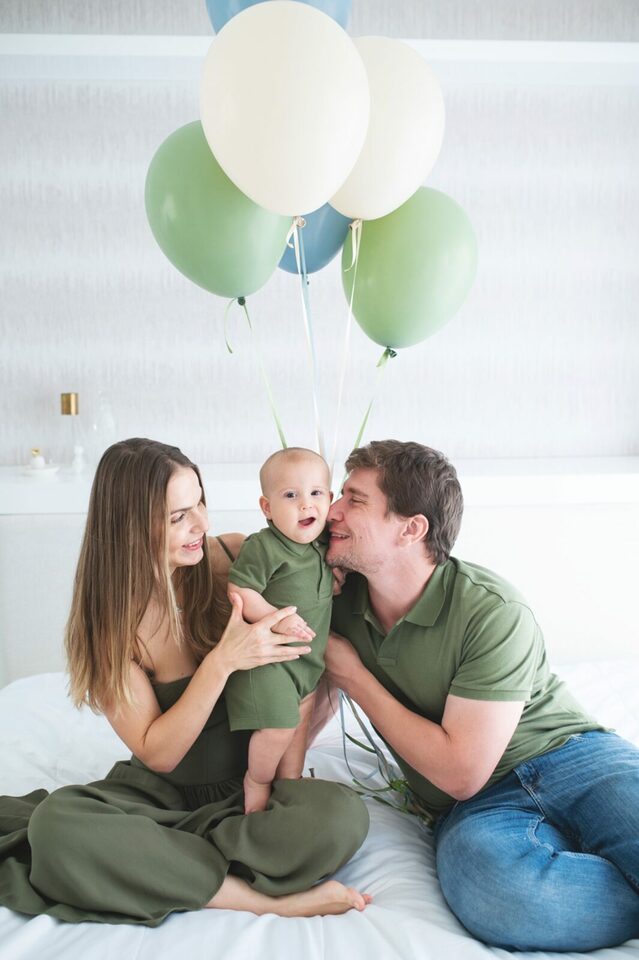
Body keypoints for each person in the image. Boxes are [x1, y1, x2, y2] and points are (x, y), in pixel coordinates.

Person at [0, 438, 371, 925]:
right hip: (161, 798)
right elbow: (159, 754)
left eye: (200, 502)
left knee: (343, 817)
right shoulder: (112, 628)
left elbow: (313, 578)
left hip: (252, 793)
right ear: (131, 528)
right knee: (57, 828)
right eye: (179, 517)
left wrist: (330, 578)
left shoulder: (235, 557)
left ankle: (163, 862)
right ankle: (261, 898)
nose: (201, 524)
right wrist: (222, 662)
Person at [324, 439, 639, 952]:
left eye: (353, 500)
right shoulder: (335, 600)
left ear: (411, 529)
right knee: (498, 897)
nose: (332, 510)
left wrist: (354, 677)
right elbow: (465, 785)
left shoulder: (491, 609)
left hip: (574, 758)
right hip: (479, 806)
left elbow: (460, 767)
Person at [225, 448, 333, 814]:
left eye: (316, 493)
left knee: (299, 726)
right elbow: (240, 590)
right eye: (291, 495)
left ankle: (290, 782)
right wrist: (275, 617)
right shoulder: (265, 546)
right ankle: (257, 780)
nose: (306, 504)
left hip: (306, 665)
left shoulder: (322, 543)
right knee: (279, 728)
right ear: (267, 507)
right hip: (269, 664)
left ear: (329, 498)